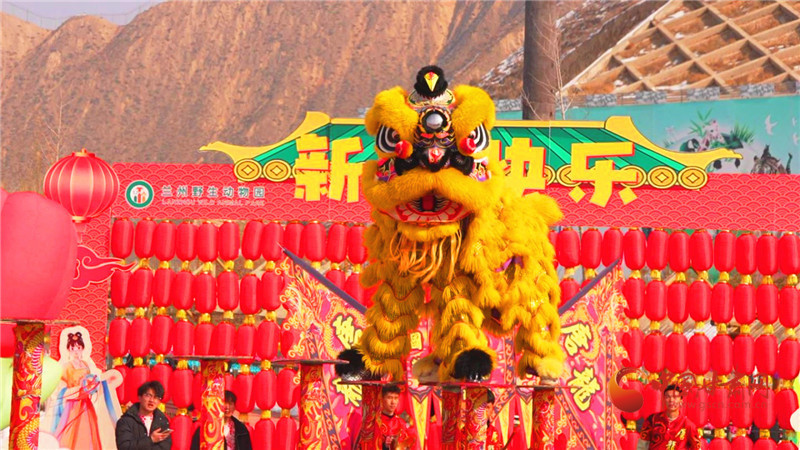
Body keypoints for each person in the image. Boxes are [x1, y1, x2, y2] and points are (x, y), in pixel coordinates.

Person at [47, 330, 122, 449]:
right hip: (73, 404)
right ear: (68, 350)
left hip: (86, 403)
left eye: (78, 348)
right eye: (73, 348)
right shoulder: (66, 367)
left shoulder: (86, 365)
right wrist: (75, 391)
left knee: (88, 429)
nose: (76, 351)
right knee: (71, 430)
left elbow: (93, 380)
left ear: (82, 348)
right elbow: (60, 388)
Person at [638, 384, 703, 450]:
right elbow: (642, 446)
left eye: (675, 397)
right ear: (664, 400)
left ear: (681, 400)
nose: (671, 400)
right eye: (668, 397)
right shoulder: (652, 420)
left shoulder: (688, 425)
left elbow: (697, 448)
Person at [115, 381, 172, 449]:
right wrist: (151, 439)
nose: (151, 400)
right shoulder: (126, 421)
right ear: (140, 397)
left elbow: (165, 446)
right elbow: (124, 446)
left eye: (156, 397)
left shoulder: (162, 421)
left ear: (159, 402)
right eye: (148, 395)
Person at [376, 384, 415, 450]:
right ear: (382, 399)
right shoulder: (376, 422)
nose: (393, 402)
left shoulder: (401, 423)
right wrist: (384, 445)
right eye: (389, 398)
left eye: (396, 398)